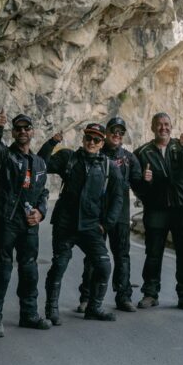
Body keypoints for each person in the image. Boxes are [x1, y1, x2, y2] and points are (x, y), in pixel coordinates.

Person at [39, 123, 124, 324]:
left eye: (96, 139)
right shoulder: (68, 158)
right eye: (88, 138)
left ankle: (94, 307)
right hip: (65, 225)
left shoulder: (109, 167)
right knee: (59, 265)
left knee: (104, 266)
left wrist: (107, 224)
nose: (91, 142)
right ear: (83, 139)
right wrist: (51, 143)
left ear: (102, 143)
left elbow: (117, 198)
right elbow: (40, 165)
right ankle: (52, 309)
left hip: (91, 226)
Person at [0, 112, 51, 338]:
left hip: (29, 224)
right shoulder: (5, 156)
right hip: (5, 222)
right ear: (13, 132)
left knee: (30, 269)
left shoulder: (39, 162)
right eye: (18, 128)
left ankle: (29, 314)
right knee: (2, 269)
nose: (22, 131)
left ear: (32, 132)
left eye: (26, 128)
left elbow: (43, 192)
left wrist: (40, 212)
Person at [133, 112, 183, 310]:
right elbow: (135, 185)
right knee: (153, 253)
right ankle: (150, 293)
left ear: (172, 126)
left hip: (182, 208)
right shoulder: (142, 153)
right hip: (156, 209)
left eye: (166, 124)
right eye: (159, 124)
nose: (163, 128)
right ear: (152, 127)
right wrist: (145, 182)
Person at [75, 117, 143, 313]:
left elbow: (139, 185)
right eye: (113, 130)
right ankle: (87, 297)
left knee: (122, 256)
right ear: (106, 133)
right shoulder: (96, 152)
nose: (117, 134)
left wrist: (147, 180)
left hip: (120, 215)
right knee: (92, 257)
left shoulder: (129, 158)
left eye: (121, 132)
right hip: (96, 215)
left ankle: (124, 297)